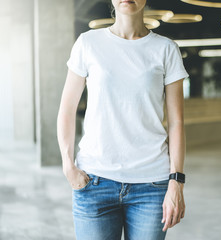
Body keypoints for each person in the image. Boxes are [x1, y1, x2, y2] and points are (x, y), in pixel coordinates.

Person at [56, 0, 189, 239]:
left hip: (151, 186)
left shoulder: (166, 49)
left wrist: (176, 181)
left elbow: (177, 122)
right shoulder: (88, 43)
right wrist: (68, 165)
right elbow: (67, 108)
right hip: (94, 182)